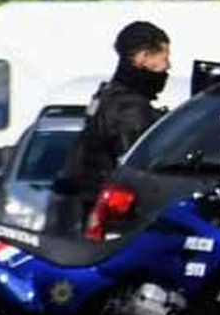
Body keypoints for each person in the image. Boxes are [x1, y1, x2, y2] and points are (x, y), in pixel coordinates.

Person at [52, 21, 172, 235]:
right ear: (143, 58)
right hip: (111, 218)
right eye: (164, 58)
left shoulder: (108, 96)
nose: (168, 67)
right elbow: (137, 169)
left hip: (83, 207)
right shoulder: (130, 108)